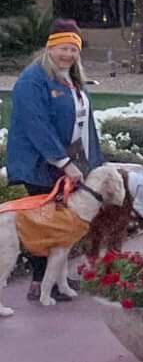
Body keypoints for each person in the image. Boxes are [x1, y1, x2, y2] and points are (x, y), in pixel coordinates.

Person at [4, 22, 104, 301]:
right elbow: (37, 125)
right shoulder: (32, 79)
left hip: (70, 163)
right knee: (43, 223)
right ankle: (39, 281)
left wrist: (93, 160)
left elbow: (85, 123)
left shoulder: (72, 78)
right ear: (50, 47)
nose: (68, 54)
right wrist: (63, 162)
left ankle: (56, 279)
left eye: (73, 49)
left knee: (62, 224)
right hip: (41, 165)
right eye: (63, 48)